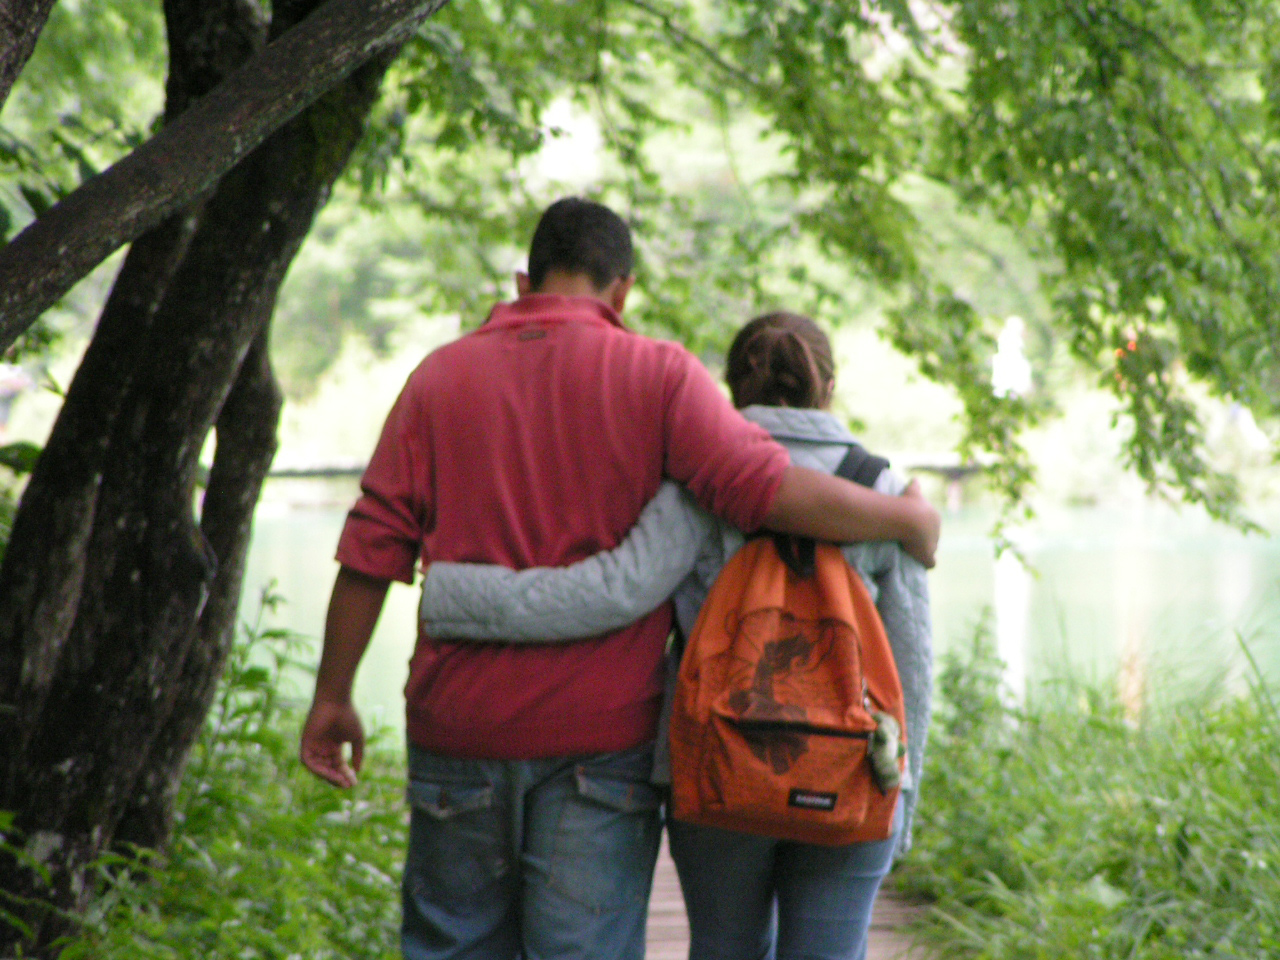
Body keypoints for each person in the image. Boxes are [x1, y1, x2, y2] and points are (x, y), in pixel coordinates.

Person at [299, 198, 940, 960]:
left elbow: (372, 547)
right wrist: (903, 520)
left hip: (457, 727)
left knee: (452, 945)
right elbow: (764, 486)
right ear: (623, 290)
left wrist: (334, 695)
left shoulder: (437, 379)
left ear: (521, 279)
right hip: (600, 744)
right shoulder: (660, 375)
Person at [419, 311, 933, 960]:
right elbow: (910, 664)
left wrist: (456, 595)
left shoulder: (699, 487)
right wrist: (902, 797)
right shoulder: (888, 495)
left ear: (730, 388)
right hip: (855, 767)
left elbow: (611, 594)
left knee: (723, 946)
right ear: (827, 386)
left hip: (718, 766)